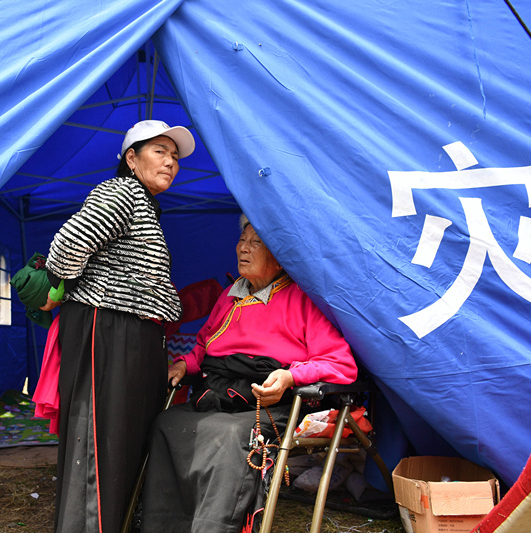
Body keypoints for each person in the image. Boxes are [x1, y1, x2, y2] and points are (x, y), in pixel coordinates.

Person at [140, 215, 358, 533]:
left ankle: (216, 526)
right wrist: (186, 364)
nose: (244, 248)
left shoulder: (302, 299)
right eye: (243, 240)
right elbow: (204, 345)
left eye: (256, 242)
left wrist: (290, 377)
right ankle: (165, 524)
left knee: (231, 436)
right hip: (219, 393)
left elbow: (341, 365)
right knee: (166, 423)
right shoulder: (229, 297)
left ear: (281, 257)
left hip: (268, 403)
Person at [39, 120, 196, 533]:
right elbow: (67, 246)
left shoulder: (146, 204)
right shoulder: (121, 192)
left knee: (126, 436)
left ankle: (118, 522)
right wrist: (89, 289)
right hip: (107, 327)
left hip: (135, 332)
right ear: (131, 158)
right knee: (101, 437)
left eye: (175, 156)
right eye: (159, 151)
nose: (170, 161)